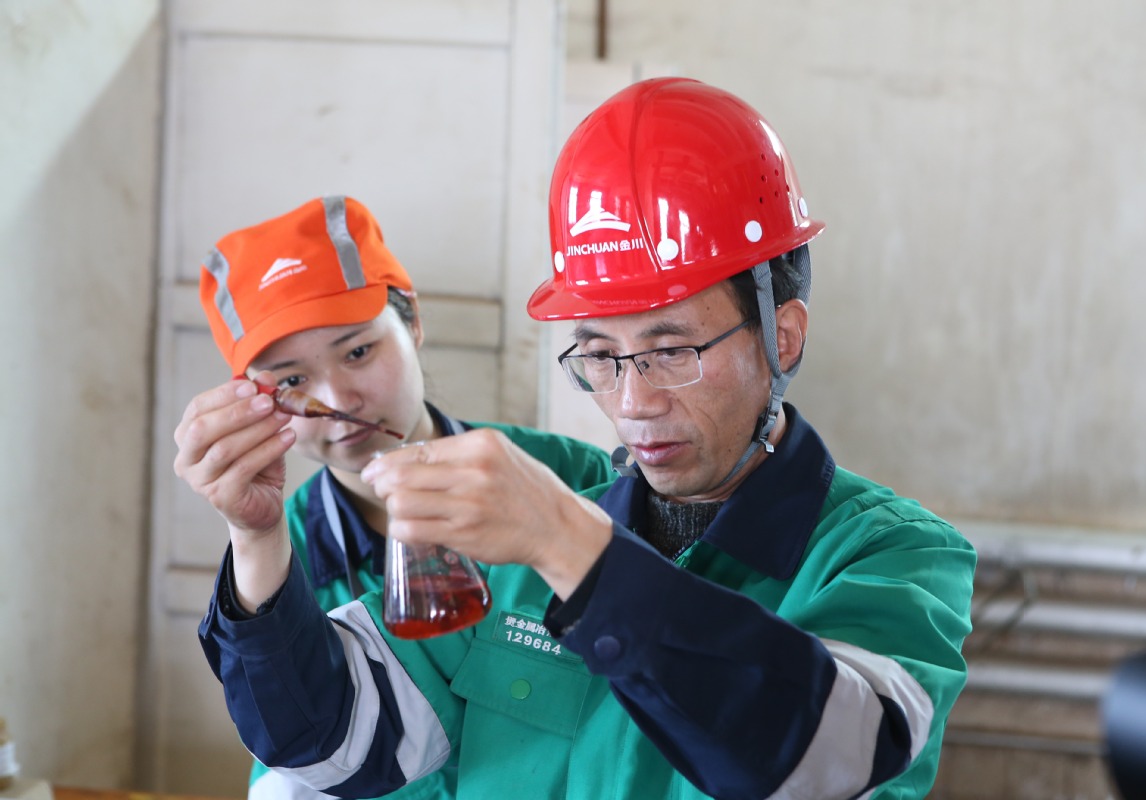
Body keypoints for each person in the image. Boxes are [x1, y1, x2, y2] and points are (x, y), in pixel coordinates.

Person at [190, 78, 976, 800]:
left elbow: (825, 760)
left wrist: (569, 543)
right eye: (599, 355)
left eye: (673, 350)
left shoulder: (892, 559)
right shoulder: (514, 553)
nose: (632, 403)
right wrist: (256, 536)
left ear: (784, 337)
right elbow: (332, 747)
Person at [174, 194, 613, 799]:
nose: (339, 399)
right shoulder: (278, 566)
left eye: (358, 352)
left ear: (413, 324)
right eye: (293, 381)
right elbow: (297, 765)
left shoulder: (568, 476)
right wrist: (253, 536)